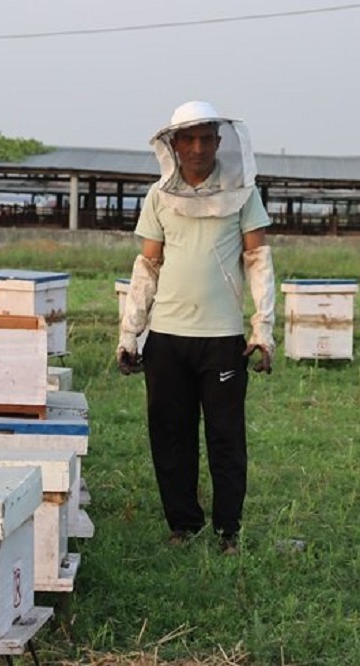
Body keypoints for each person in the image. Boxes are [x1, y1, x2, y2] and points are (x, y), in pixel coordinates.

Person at [116, 100, 276, 555]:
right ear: (174, 144)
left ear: (219, 142)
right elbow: (148, 266)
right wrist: (130, 333)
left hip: (223, 340)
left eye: (207, 138)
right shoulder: (158, 196)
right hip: (166, 338)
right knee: (170, 435)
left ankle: (228, 532)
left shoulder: (243, 192)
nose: (198, 148)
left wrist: (262, 329)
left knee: (226, 437)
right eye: (189, 139)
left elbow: (258, 260)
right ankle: (182, 525)